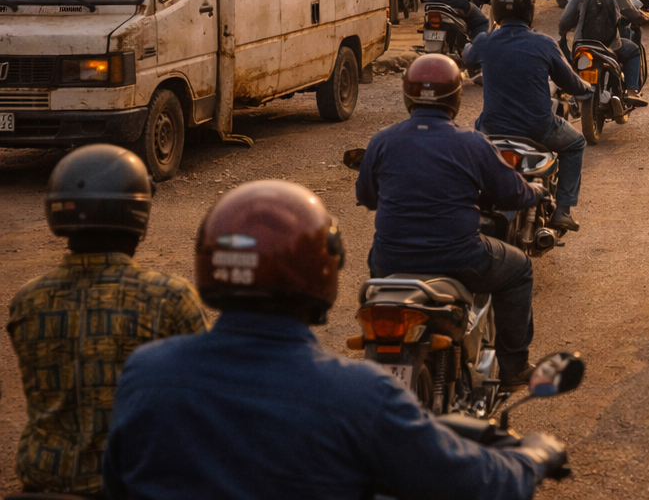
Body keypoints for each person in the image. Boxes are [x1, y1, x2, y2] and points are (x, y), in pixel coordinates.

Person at [104, 180, 565, 500]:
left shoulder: (147, 373)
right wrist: (533, 456)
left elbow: (118, 483)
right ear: (322, 274)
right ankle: (513, 361)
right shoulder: (358, 396)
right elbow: (475, 484)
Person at [7, 145, 206, 498]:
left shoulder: (28, 301)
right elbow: (202, 404)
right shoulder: (170, 299)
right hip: (133, 483)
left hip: (42, 485)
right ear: (138, 214)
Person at [358, 55, 544, 376]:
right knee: (519, 269)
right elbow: (511, 193)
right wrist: (536, 192)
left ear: (408, 95)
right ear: (456, 96)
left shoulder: (382, 141)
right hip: (458, 257)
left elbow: (366, 196)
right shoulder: (471, 143)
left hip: (389, 262)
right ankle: (514, 368)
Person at [468, 0, 591, 231]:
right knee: (576, 143)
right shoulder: (544, 44)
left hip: (494, 129)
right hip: (538, 128)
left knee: (472, 150)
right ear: (530, 10)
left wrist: (484, 36)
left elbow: (468, 56)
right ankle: (563, 210)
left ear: (496, 10)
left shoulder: (486, 41)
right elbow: (568, 82)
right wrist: (587, 89)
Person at [558, 0, 649, 101]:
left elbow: (564, 22)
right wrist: (644, 16)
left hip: (582, 46)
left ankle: (572, 92)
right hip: (611, 47)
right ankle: (631, 90)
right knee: (634, 50)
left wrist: (565, 30)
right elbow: (633, 14)